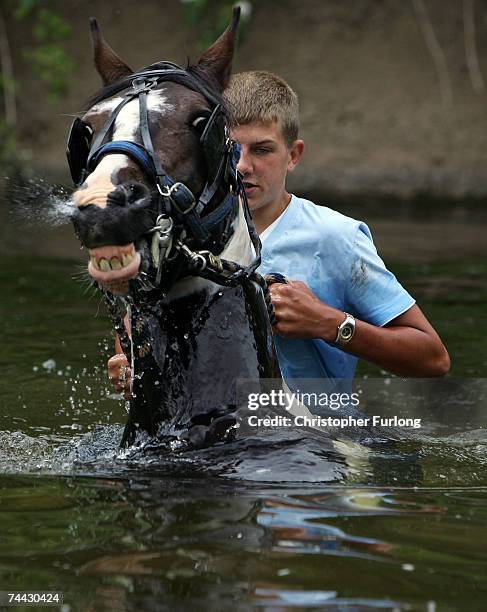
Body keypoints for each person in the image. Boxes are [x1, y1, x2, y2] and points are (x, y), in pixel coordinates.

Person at [108, 70, 450, 396]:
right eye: (231, 149)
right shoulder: (175, 238)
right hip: (203, 441)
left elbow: (433, 359)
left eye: (262, 149)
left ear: (293, 155)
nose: (242, 166)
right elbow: (133, 338)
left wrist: (329, 323)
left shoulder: (335, 238)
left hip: (314, 442)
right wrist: (133, 371)